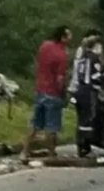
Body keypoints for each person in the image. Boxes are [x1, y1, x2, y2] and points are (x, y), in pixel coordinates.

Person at [20, 25, 71, 163]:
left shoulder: (44, 46)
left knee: (35, 124)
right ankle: (51, 152)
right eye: (68, 35)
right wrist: (63, 92)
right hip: (53, 92)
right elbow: (60, 78)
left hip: (40, 89)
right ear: (63, 37)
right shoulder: (62, 55)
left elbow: (39, 63)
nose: (70, 38)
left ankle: (24, 151)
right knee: (52, 126)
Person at [70, 29, 104, 157]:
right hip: (88, 91)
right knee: (88, 118)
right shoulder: (94, 58)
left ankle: (80, 144)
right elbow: (96, 76)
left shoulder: (82, 57)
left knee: (80, 119)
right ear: (95, 46)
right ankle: (85, 146)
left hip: (79, 90)